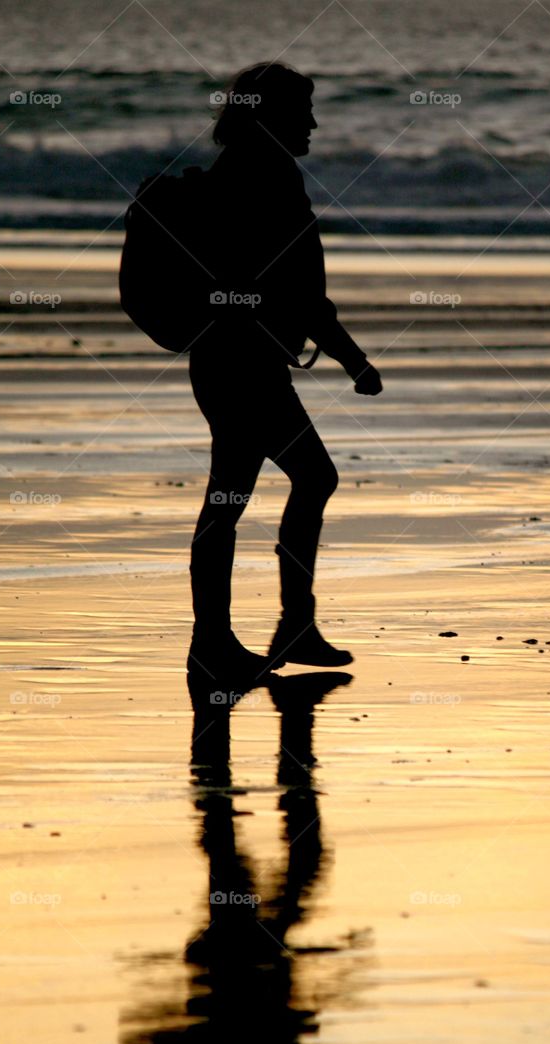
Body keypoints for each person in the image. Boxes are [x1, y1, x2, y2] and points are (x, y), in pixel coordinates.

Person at [187, 62, 382, 688]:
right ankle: (262, 632)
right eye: (303, 111)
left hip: (229, 359)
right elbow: (298, 292)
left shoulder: (240, 168)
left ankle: (235, 637)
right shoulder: (266, 175)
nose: (313, 123)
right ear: (270, 115)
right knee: (298, 480)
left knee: (233, 497)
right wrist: (353, 359)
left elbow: (286, 290)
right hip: (243, 366)